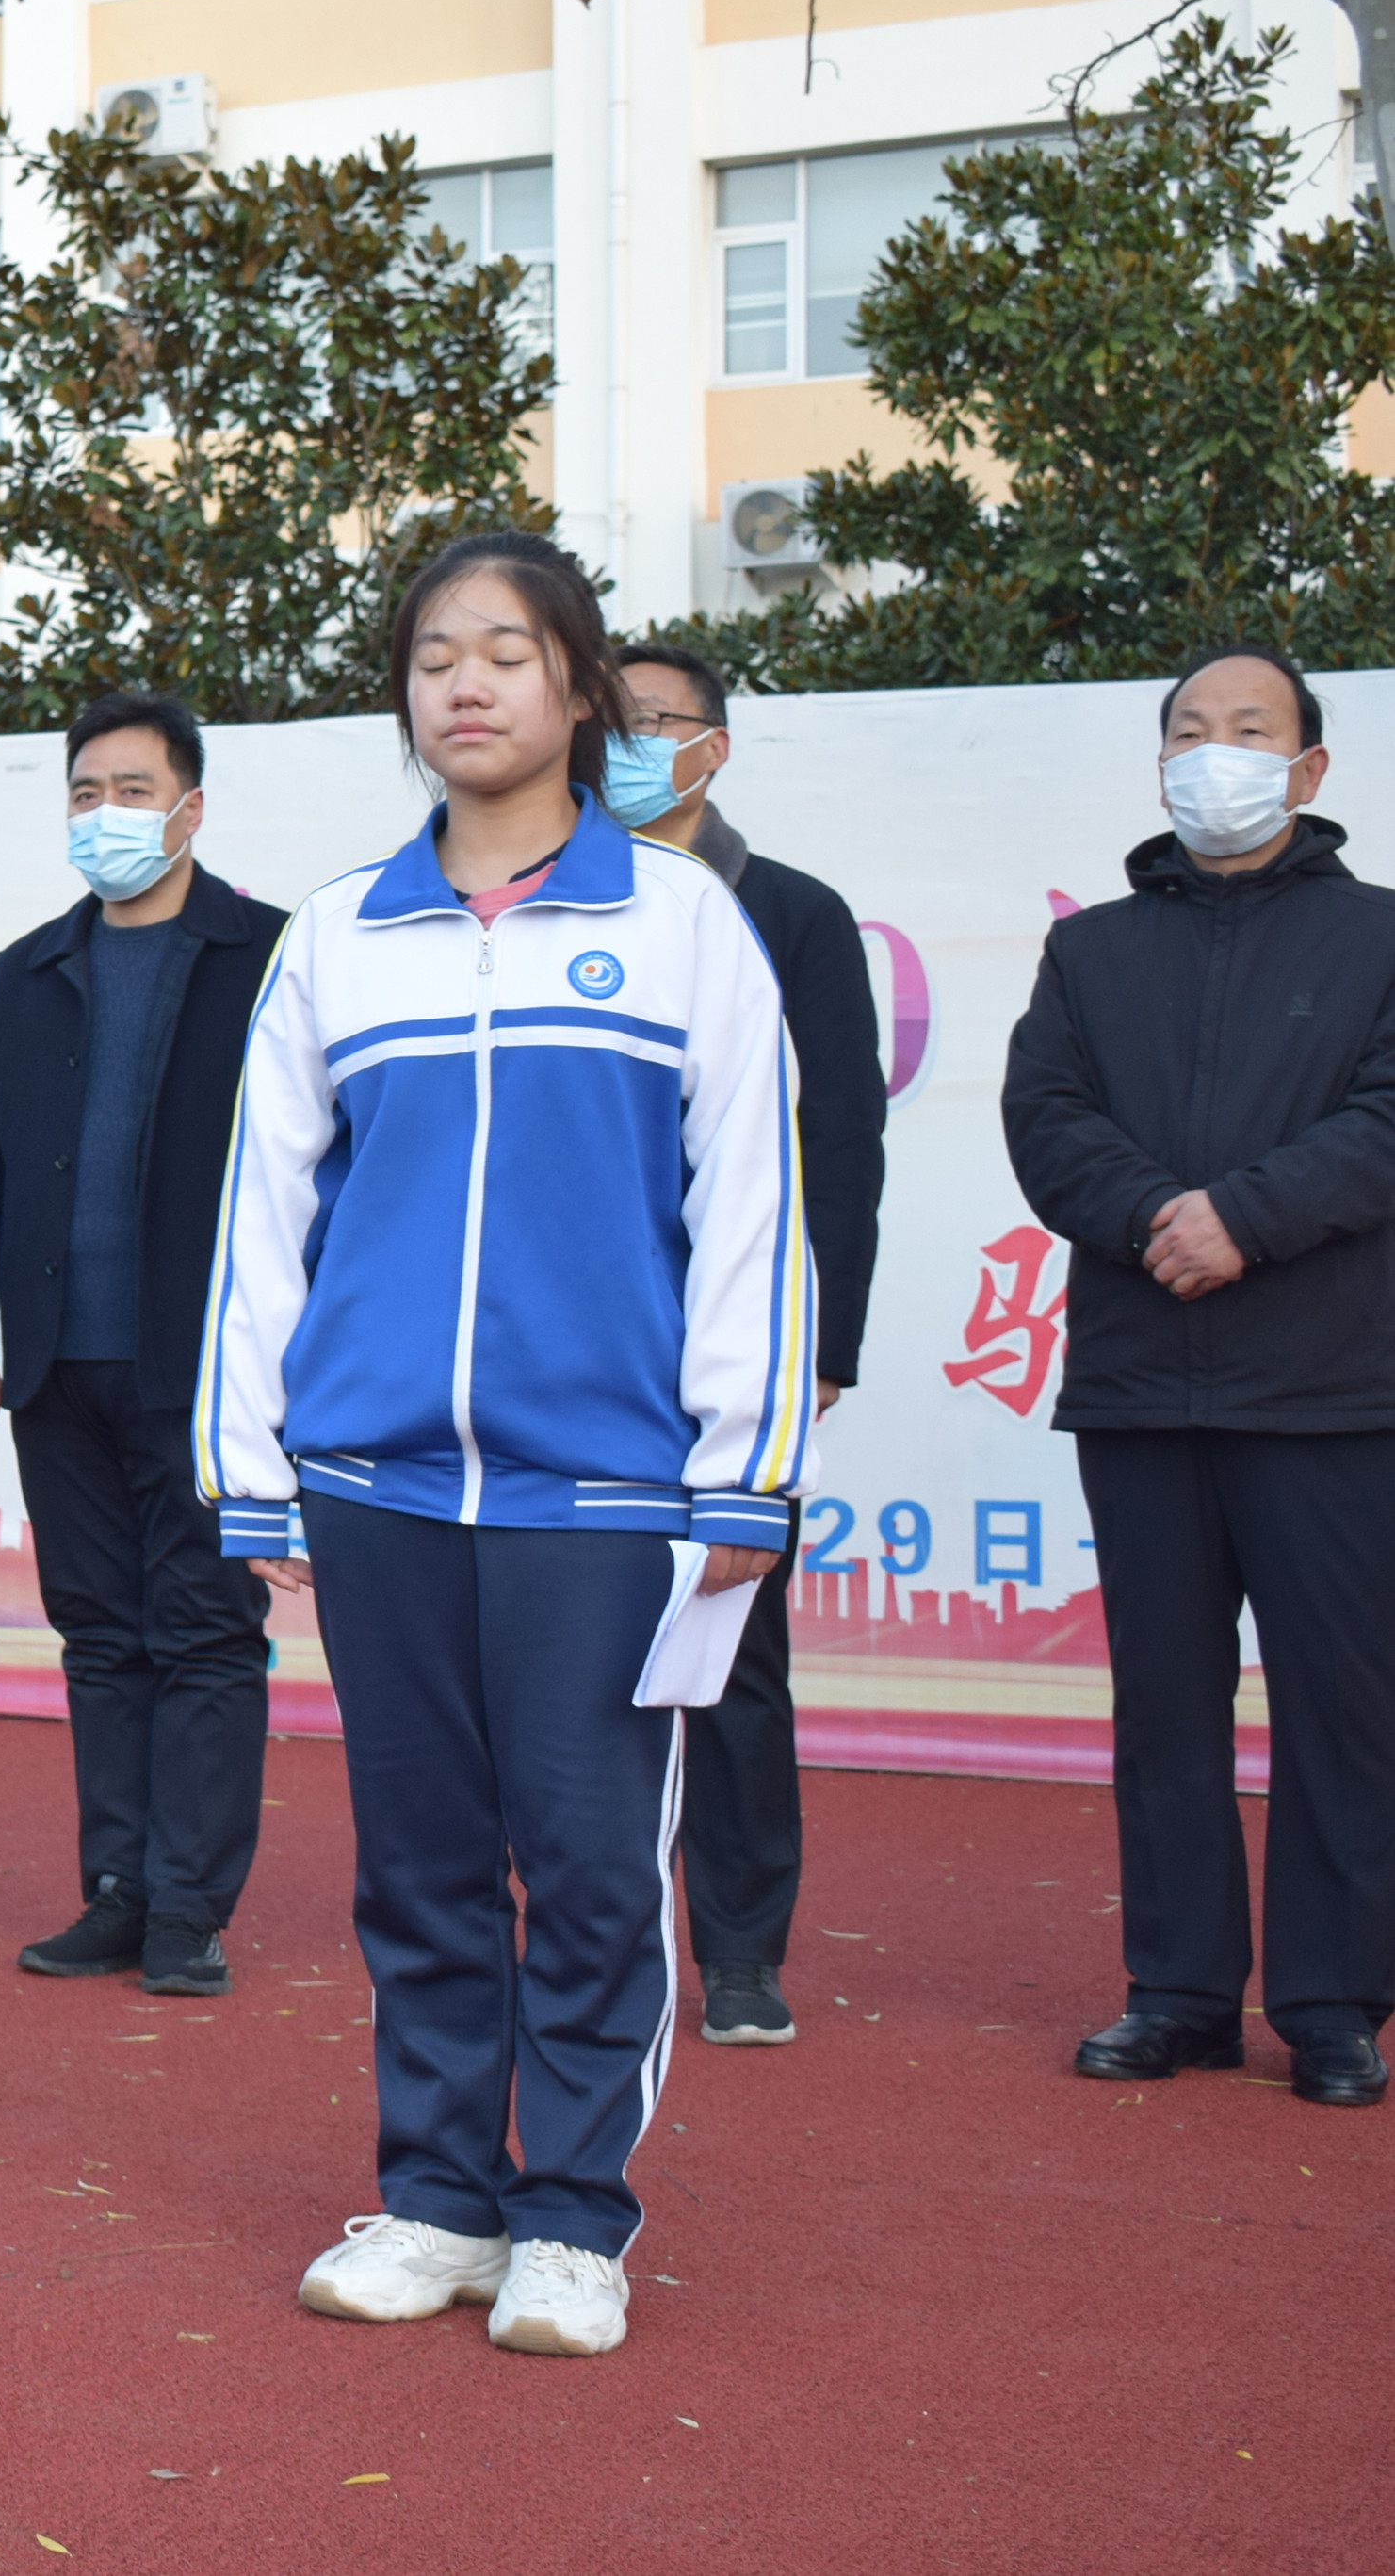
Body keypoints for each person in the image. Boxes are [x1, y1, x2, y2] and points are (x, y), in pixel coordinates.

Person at [201, 531, 807, 2359]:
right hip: (376, 1486)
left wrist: (743, 1465)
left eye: (509, 650)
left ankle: (573, 2215)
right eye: (435, 655)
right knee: (420, 1866)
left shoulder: (680, 924)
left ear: (580, 688)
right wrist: (253, 1469)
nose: (466, 682)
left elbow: (752, 1210)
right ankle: (440, 2194)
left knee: (594, 1861)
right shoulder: (341, 935)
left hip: (602, 1491)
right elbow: (264, 1221)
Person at [1003, 646, 1395, 2111]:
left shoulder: (1380, 938)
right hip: (1140, 1386)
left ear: (1306, 768)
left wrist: (1245, 1218)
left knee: (1340, 1706)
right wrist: (1154, 1217)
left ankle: (1331, 2003)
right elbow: (1045, 1117)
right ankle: (1175, 1992)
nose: (1212, 752)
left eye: (1246, 730)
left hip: (1331, 1390)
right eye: (1186, 730)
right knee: (1163, 1703)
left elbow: (1383, 1121)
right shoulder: (1090, 952)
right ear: (1159, 761)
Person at [0, 692, 286, 1998]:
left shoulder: (270, 954)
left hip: (205, 1360)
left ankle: (189, 1906)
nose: (105, 815)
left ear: (191, 808)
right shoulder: (30, 969)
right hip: (54, 1358)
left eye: (132, 791)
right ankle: (119, 1890)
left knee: (203, 1628)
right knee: (97, 1628)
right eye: (85, 793)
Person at [608, 643, 888, 2049]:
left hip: (739, 1332)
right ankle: (595, 1927)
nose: (617, 743)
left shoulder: (792, 914)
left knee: (733, 1642)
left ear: (710, 748)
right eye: (601, 718)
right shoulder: (544, 901)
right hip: (582, 1333)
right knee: (568, 1639)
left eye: (646, 721)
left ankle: (737, 1950)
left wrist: (818, 1342)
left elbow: (840, 1137)